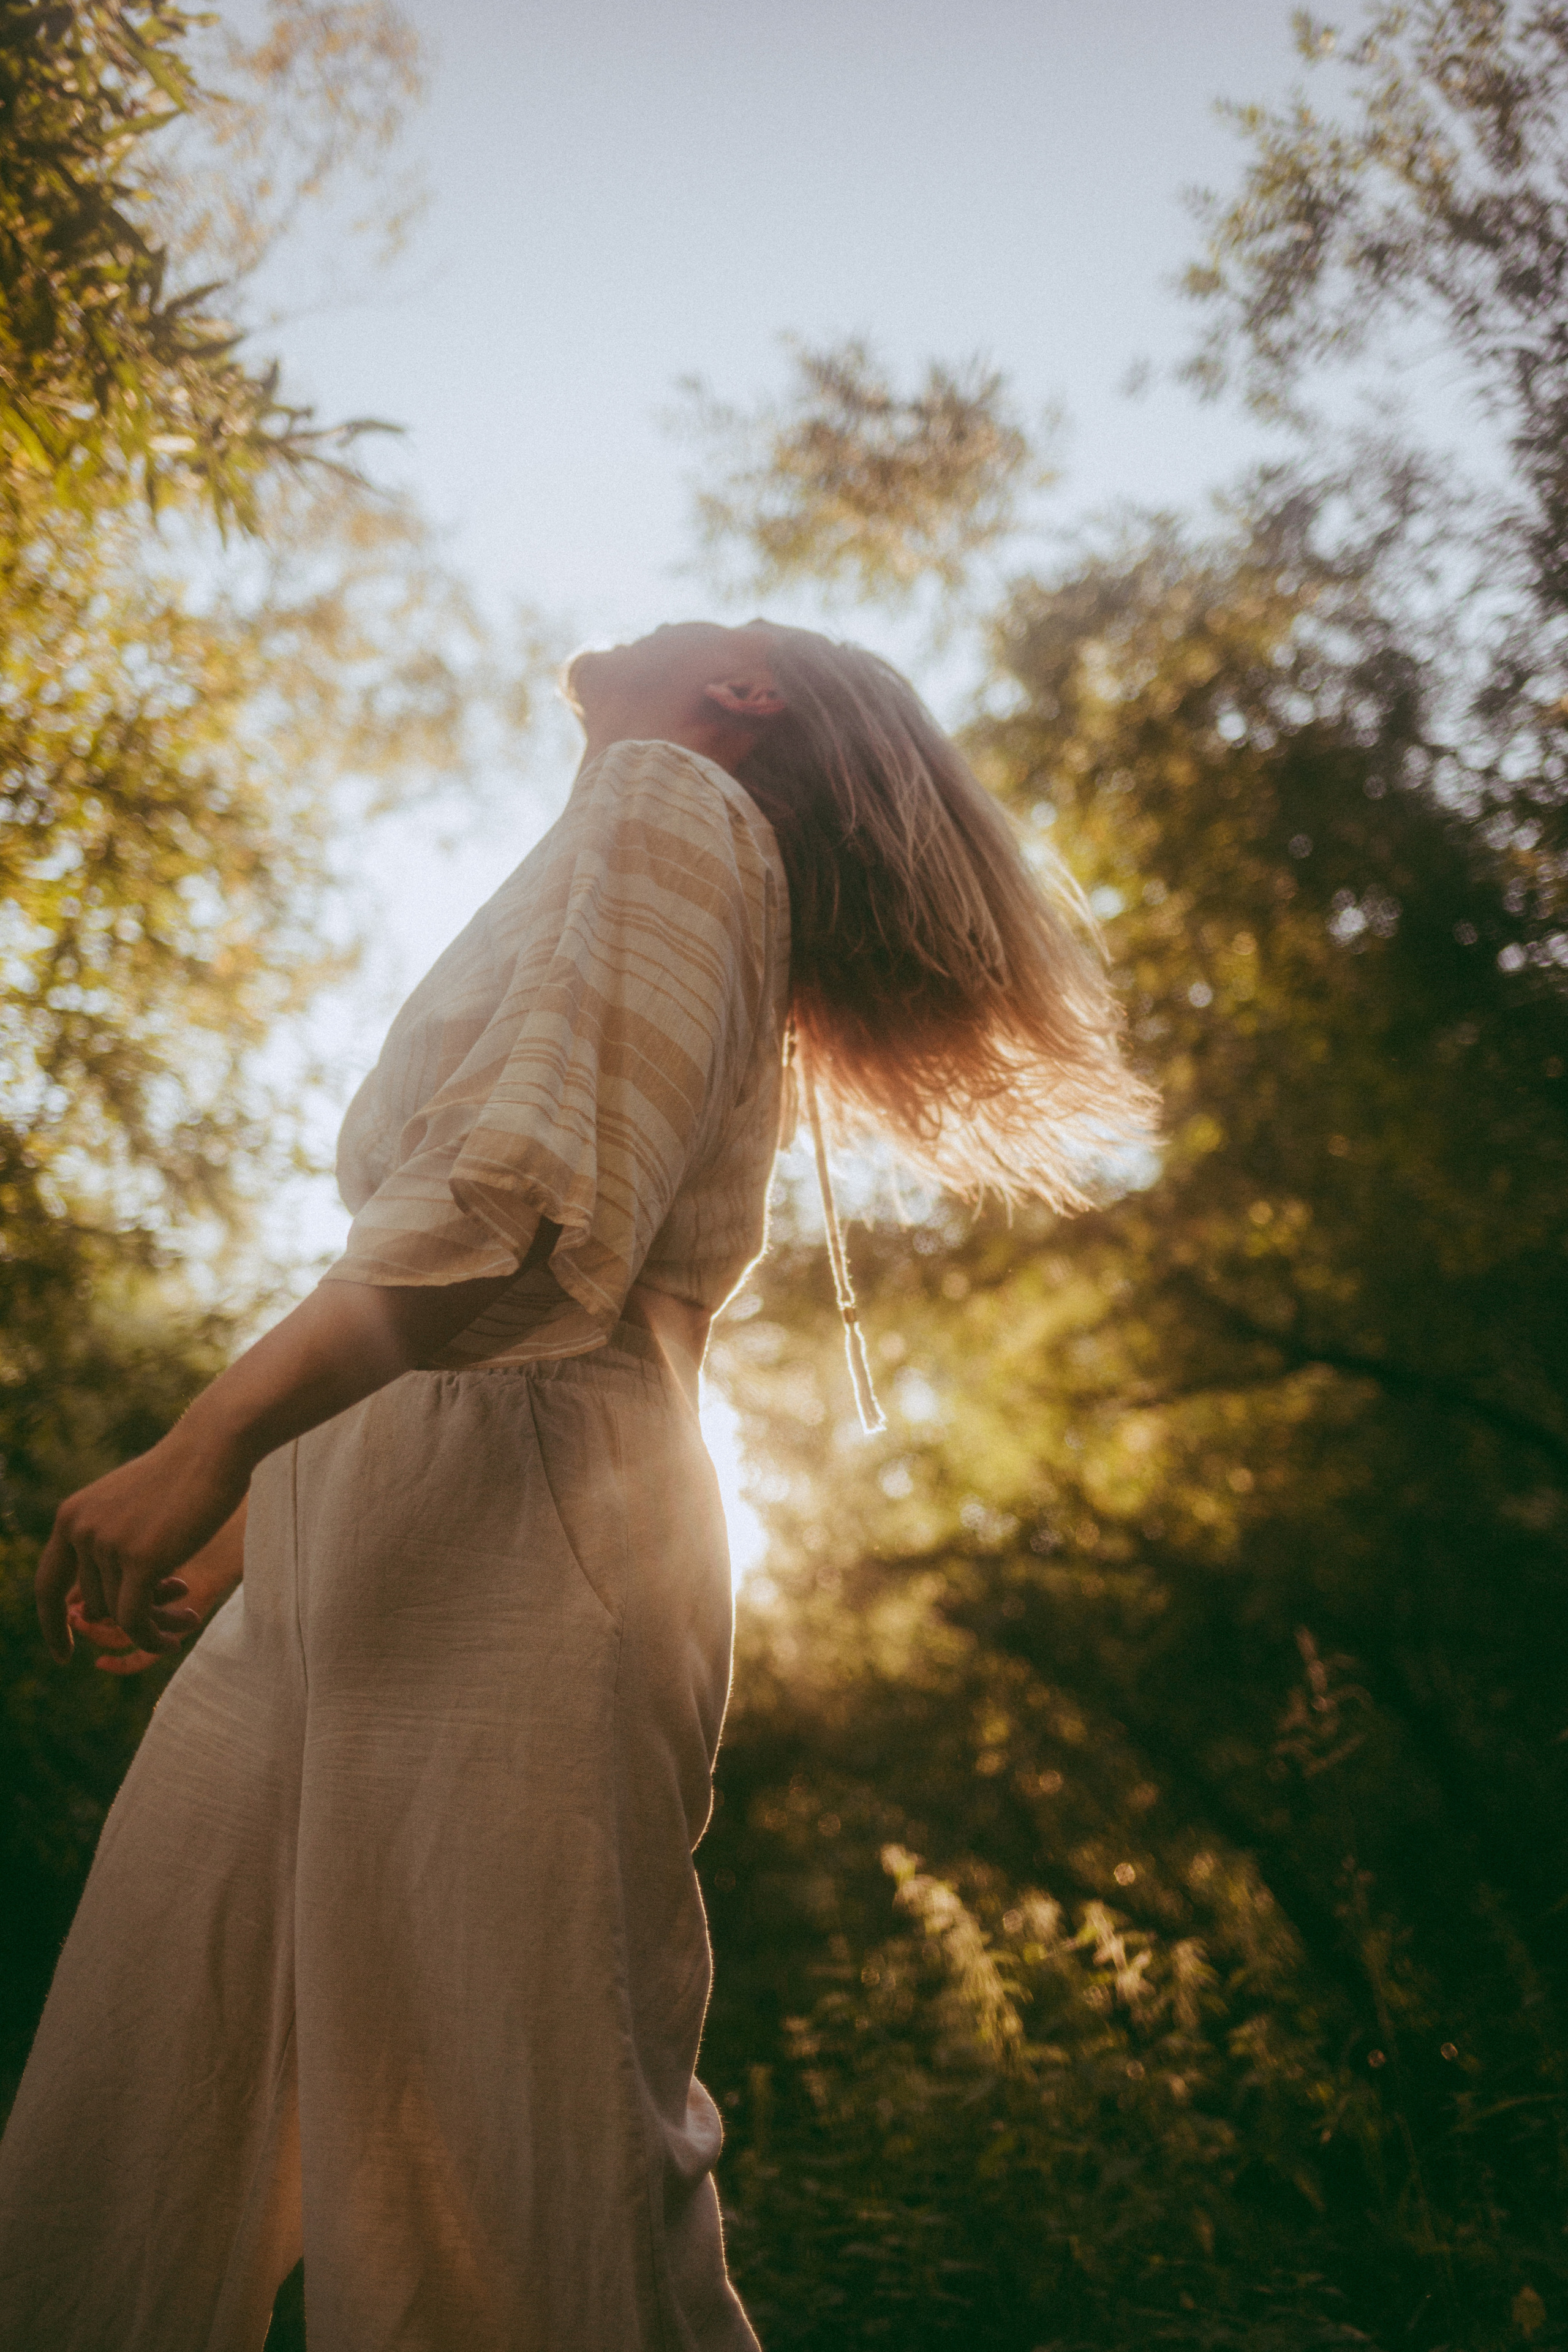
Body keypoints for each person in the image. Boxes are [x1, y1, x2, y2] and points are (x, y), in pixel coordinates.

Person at [0, 620, 1155, 2350]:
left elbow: (523, 1210)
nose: (644, 623)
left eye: (711, 621)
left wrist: (204, 1438)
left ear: (743, 696)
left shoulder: (672, 800)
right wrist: (252, 1530)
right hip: (371, 1546)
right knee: (147, 2084)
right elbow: (469, 1256)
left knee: (513, 2171)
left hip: (532, 1548)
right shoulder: (644, 837)